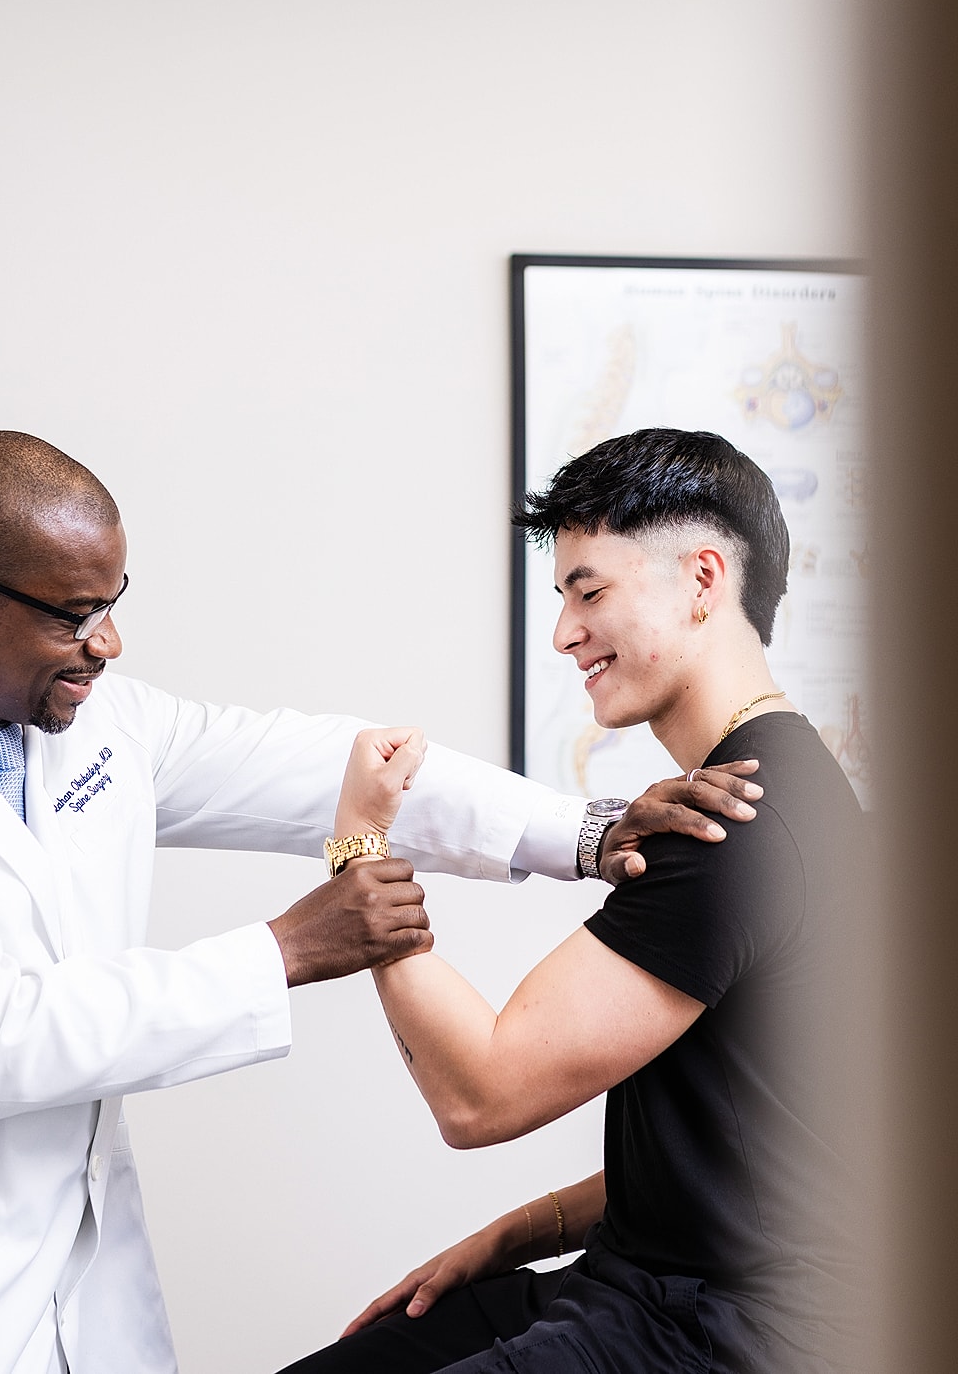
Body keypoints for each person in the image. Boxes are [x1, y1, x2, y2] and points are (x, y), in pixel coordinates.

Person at [0, 431, 756, 1374]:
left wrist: (585, 831)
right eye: (74, 613)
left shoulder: (90, 721)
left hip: (83, 1299)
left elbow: (340, 764)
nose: (108, 642)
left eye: (113, 600)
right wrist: (283, 949)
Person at [280, 427, 865, 1373]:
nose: (563, 634)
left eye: (588, 592)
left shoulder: (738, 824)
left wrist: (360, 846)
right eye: (561, 598)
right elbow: (748, 1151)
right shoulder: (787, 788)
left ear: (704, 579)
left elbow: (479, 1095)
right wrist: (516, 1234)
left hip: (730, 1332)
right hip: (643, 1279)